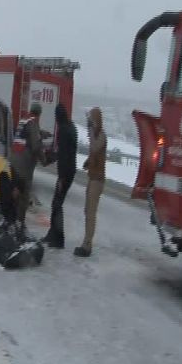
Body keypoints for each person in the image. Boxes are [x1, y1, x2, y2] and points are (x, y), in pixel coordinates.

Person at [42, 103, 77, 249]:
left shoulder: (63, 130)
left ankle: (57, 238)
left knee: (56, 204)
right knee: (57, 203)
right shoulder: (71, 127)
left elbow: (63, 155)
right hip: (71, 170)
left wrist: (61, 177)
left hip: (65, 172)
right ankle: (53, 234)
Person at [74, 107, 107, 257]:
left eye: (92, 120)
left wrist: (89, 130)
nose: (91, 122)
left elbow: (95, 147)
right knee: (87, 211)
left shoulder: (101, 135)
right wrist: (89, 162)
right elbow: (95, 153)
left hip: (97, 180)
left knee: (91, 212)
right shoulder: (96, 134)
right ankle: (86, 242)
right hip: (93, 177)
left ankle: (87, 245)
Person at [9, 102, 46, 233]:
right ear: (39, 114)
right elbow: (36, 146)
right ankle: (19, 224)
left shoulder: (23, 120)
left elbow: (26, 136)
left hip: (13, 161)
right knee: (24, 196)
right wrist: (44, 159)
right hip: (24, 166)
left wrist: (40, 134)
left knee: (14, 193)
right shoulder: (34, 123)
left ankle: (10, 220)